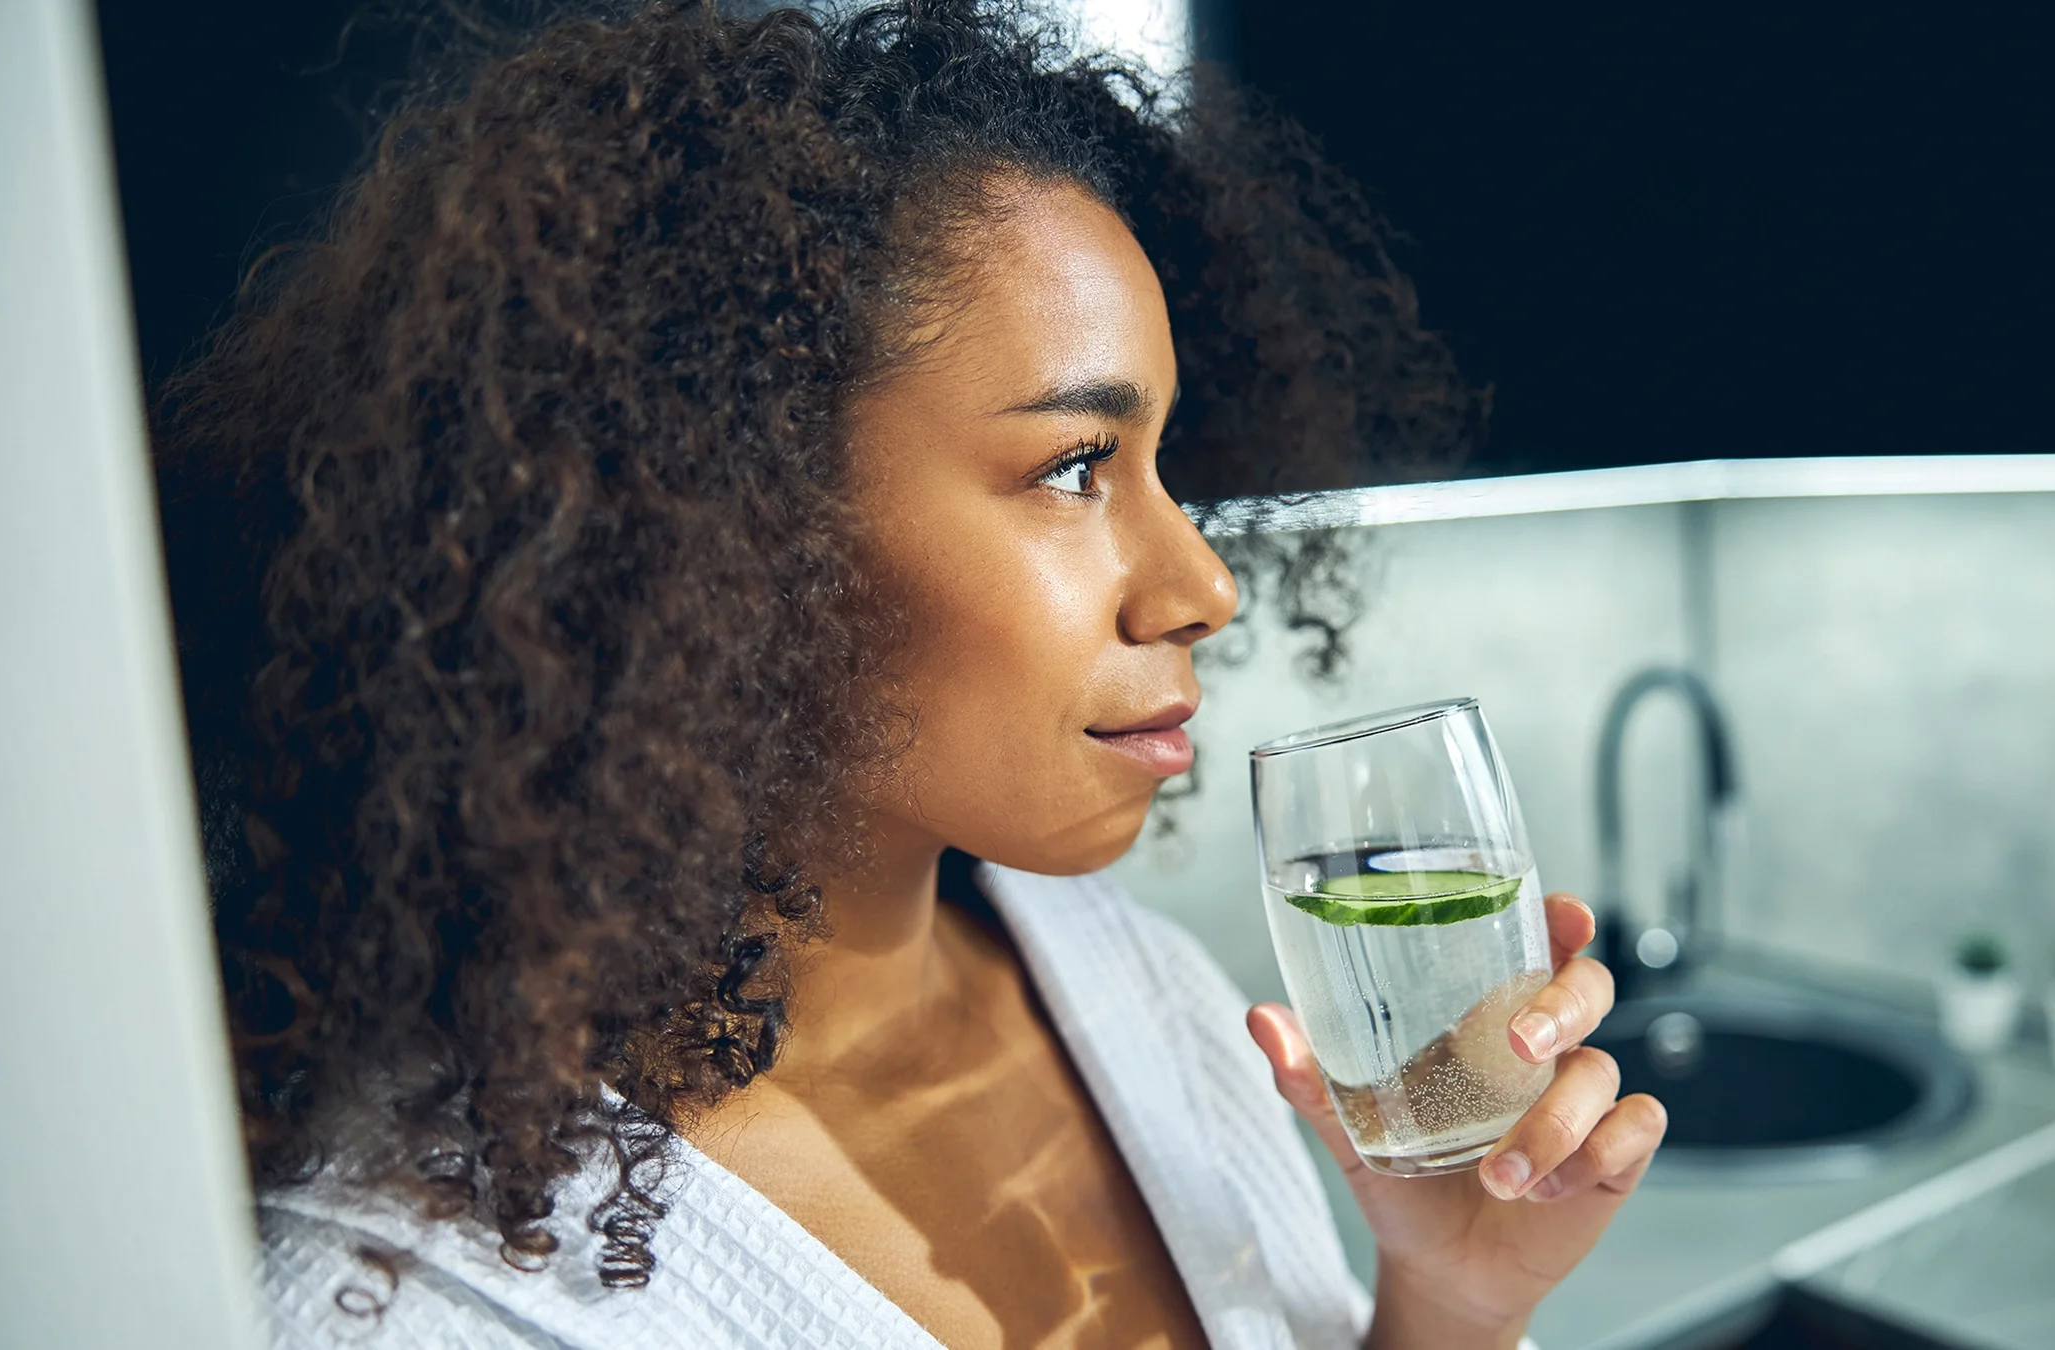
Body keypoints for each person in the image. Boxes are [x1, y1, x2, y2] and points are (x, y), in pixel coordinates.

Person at [156, 2, 1666, 1345]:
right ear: (732, 527)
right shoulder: (405, 1300)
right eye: (1077, 465)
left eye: (1162, 459)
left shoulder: (1148, 996)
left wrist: (1457, 1304)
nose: (1203, 584)